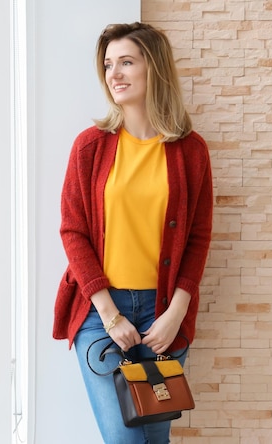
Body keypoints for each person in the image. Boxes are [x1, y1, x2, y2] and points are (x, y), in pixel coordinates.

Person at [53, 22, 213, 444]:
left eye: (127, 62)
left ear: (154, 69)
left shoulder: (190, 150)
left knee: (154, 440)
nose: (114, 74)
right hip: (101, 314)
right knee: (125, 440)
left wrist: (175, 314)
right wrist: (110, 315)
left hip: (163, 315)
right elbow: (73, 232)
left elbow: (198, 237)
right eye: (108, 64)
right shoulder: (90, 146)